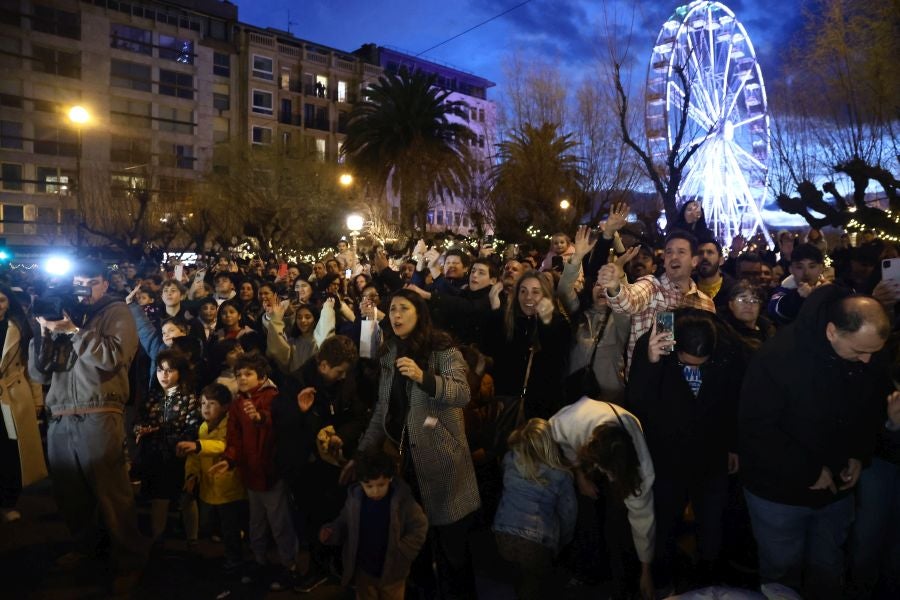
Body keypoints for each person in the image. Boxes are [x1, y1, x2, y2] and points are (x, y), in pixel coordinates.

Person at [740, 287, 891, 599]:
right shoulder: (777, 357)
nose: (866, 360)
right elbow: (756, 429)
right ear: (832, 331)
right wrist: (808, 470)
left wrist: (859, 455)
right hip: (778, 495)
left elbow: (868, 411)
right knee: (782, 573)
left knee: (828, 566)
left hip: (837, 492)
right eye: (859, 351)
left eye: (873, 353)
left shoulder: (867, 351)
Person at [343, 288, 480, 600]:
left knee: (452, 551)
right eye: (392, 310)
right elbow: (382, 410)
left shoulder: (442, 349)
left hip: (443, 463)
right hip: (405, 466)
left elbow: (461, 393)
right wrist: (361, 454)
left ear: (419, 313)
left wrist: (424, 377)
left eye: (404, 308)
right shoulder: (390, 351)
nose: (396, 315)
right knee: (414, 544)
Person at [28, 259, 148, 590]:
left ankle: (129, 558)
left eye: (89, 283)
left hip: (100, 410)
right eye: (77, 284)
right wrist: (43, 333)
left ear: (104, 284)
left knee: (112, 493)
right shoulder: (64, 315)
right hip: (60, 414)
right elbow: (39, 373)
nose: (82, 291)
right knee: (71, 494)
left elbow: (113, 356)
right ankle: (88, 549)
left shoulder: (115, 313)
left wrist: (75, 333)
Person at [626, 309, 744, 591]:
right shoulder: (654, 344)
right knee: (666, 521)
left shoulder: (728, 348)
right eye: (687, 363)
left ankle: (707, 582)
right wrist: (652, 363)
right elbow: (637, 405)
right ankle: (665, 580)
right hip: (668, 457)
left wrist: (734, 445)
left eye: (701, 365)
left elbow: (735, 402)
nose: (694, 369)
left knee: (712, 524)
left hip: (711, 455)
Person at [549, 397, 656, 600]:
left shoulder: (642, 469)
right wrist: (580, 475)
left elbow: (644, 519)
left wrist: (646, 572)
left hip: (619, 460)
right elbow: (560, 442)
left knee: (620, 520)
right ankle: (588, 570)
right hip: (580, 445)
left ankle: (623, 580)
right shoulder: (569, 423)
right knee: (587, 512)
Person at [210, 353, 298, 592]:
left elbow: (278, 425)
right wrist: (229, 460)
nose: (242, 378)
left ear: (262, 376)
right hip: (250, 473)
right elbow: (234, 437)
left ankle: (289, 565)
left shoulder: (273, 397)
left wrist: (260, 418)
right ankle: (260, 562)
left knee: (279, 522)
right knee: (256, 522)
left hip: (270, 472)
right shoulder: (238, 403)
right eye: (239, 374)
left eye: (248, 373)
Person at [320, 449, 429, 600]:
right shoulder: (355, 500)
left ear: (390, 478)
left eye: (381, 484)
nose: (376, 491)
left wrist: (403, 551)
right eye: (369, 486)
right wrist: (332, 531)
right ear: (360, 482)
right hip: (363, 572)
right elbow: (344, 522)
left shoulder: (403, 501)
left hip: (393, 574)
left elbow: (420, 526)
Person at [598, 230, 716, 369]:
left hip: (687, 385)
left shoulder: (706, 303)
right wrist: (614, 286)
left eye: (681, 252)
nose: (674, 257)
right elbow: (627, 302)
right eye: (669, 252)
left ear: (694, 261)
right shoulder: (651, 286)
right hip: (646, 383)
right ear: (664, 261)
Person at [492, 418, 577, 600]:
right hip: (536, 542)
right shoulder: (561, 475)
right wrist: (563, 540)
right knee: (534, 587)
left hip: (502, 534)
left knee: (518, 581)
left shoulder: (510, 460)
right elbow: (568, 513)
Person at [177, 383, 246, 574]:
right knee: (212, 525)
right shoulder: (203, 427)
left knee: (230, 527)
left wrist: (198, 446)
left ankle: (236, 561)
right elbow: (195, 456)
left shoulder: (230, 425)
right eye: (203, 403)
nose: (206, 407)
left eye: (212, 403)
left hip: (229, 488)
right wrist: (192, 475)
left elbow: (223, 445)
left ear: (225, 406)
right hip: (209, 487)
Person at [132, 348, 200, 542]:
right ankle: (157, 538)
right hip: (154, 456)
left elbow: (192, 427)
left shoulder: (189, 397)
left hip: (179, 456)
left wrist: (167, 436)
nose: (164, 375)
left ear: (180, 372)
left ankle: (192, 539)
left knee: (186, 497)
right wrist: (141, 430)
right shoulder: (152, 397)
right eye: (160, 370)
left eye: (170, 370)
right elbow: (138, 422)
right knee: (158, 498)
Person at [487, 270, 571, 420]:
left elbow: (556, 362)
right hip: (507, 404)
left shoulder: (559, 324)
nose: (528, 297)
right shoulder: (505, 320)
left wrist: (546, 323)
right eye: (523, 291)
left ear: (545, 295)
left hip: (541, 407)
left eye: (536, 292)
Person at [0, 284, 45, 522]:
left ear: (9, 304)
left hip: (12, 394)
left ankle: (8, 502)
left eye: (2, 301)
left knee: (10, 449)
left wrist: (38, 401)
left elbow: (30, 367)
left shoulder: (18, 328)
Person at [768, 243, 827, 326]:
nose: (806, 273)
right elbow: (775, 310)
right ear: (791, 269)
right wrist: (798, 297)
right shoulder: (782, 290)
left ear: (821, 268)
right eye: (799, 267)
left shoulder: (830, 290)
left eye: (812, 266)